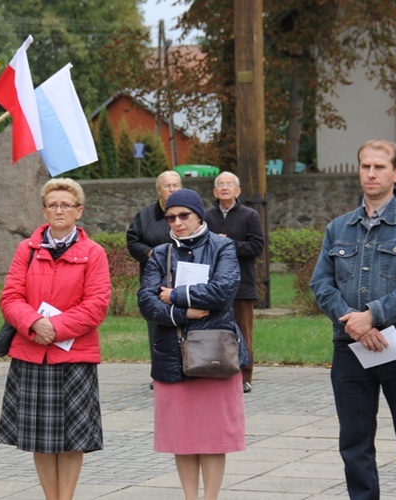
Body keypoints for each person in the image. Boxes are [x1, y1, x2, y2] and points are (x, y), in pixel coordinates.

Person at [310, 139, 396, 499]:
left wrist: (374, 317)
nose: (371, 173)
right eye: (365, 166)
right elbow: (321, 282)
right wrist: (353, 322)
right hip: (350, 348)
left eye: (379, 167)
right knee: (354, 444)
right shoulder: (338, 229)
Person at [0, 178, 111, 500]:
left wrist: (55, 327)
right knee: (40, 437)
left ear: (79, 211)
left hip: (74, 356)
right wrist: (34, 323)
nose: (59, 210)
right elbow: (10, 298)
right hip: (32, 352)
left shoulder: (93, 253)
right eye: (53, 204)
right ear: (44, 210)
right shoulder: (27, 250)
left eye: (66, 205)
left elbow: (97, 305)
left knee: (73, 438)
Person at [137, 188, 245, 500]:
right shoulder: (159, 253)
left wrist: (174, 295)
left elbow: (222, 291)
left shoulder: (222, 246)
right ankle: (190, 497)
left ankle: (209, 497)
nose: (177, 222)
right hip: (172, 353)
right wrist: (182, 313)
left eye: (184, 215)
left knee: (213, 437)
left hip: (214, 351)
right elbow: (146, 301)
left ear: (198, 215)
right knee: (181, 437)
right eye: (171, 217)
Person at [205, 172, 264, 394]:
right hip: (213, 285)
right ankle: (216, 371)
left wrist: (229, 244)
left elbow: (256, 247)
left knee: (243, 331)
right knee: (215, 330)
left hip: (242, 284)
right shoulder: (207, 217)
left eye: (229, 184)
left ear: (238, 191)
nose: (224, 188)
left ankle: (244, 376)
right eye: (220, 184)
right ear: (214, 192)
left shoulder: (250, 215)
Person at [127, 170, 182, 384]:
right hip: (155, 281)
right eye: (168, 186)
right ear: (159, 190)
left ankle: (188, 365)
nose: (172, 189)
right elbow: (132, 241)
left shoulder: (191, 212)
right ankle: (160, 371)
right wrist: (149, 253)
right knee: (157, 326)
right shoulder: (145, 215)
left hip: (184, 279)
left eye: (176, 185)